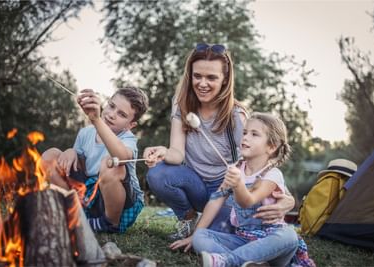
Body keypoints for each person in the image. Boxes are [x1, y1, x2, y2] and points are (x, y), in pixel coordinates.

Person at [143, 43, 295, 241]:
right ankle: (188, 218)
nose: (202, 83)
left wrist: (289, 200)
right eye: (197, 76)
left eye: (211, 77)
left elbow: (261, 165)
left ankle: (206, 225)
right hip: (194, 183)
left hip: (227, 191)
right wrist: (163, 152)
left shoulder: (237, 116)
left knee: (214, 234)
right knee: (157, 174)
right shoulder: (180, 104)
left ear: (225, 80)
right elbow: (177, 153)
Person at [171, 112, 313, 267]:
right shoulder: (236, 169)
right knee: (200, 236)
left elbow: (248, 201)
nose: (245, 137)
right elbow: (216, 200)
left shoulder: (272, 175)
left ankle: (228, 261)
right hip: (243, 240)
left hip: (272, 243)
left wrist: (238, 183)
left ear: (271, 146)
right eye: (245, 132)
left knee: (289, 236)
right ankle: (250, 262)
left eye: (254, 134)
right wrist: (193, 235)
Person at [41, 86, 149, 233]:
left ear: (130, 125)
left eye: (122, 114)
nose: (112, 115)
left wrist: (96, 120)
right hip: (88, 196)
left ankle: (109, 223)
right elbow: (80, 167)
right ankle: (76, 212)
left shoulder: (128, 138)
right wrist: (71, 151)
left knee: (112, 162)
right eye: (111, 106)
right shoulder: (86, 133)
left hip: (120, 204)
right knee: (51, 155)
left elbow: (122, 157)